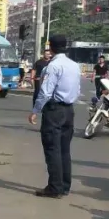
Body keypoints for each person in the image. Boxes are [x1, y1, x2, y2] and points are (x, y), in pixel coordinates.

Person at [29, 35, 81, 199]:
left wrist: (35, 110)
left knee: (52, 149)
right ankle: (64, 186)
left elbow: (45, 92)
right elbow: (77, 90)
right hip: (69, 110)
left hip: (54, 110)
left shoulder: (53, 66)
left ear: (50, 48)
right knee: (64, 149)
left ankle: (54, 187)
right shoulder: (74, 65)